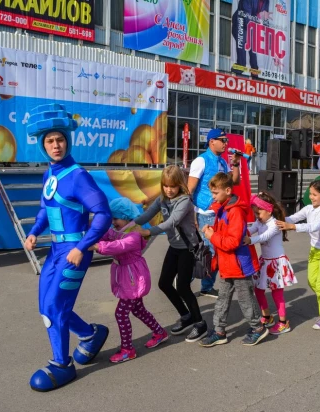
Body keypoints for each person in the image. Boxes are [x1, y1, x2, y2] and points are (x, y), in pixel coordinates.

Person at [24, 104, 112, 392]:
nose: (55, 145)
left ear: (68, 140)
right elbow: (44, 208)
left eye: (59, 139)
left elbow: (103, 214)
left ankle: (61, 365)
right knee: (46, 307)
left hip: (75, 251)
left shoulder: (77, 175)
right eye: (49, 141)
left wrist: (84, 245)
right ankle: (90, 335)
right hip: (55, 251)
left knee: (54, 306)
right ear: (42, 145)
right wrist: (35, 232)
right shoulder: (50, 175)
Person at [132, 165, 208, 343]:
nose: (169, 190)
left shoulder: (184, 201)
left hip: (188, 248)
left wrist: (148, 232)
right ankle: (186, 316)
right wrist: (127, 224)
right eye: (165, 186)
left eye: (172, 186)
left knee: (183, 287)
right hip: (175, 247)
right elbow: (147, 215)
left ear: (179, 184)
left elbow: (172, 222)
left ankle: (200, 323)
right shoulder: (162, 199)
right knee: (164, 283)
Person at [90, 197, 167, 363]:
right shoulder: (120, 229)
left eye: (115, 218)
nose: (113, 222)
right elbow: (108, 234)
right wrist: (94, 232)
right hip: (127, 275)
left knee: (121, 313)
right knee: (138, 309)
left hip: (133, 278)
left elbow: (118, 246)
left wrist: (97, 246)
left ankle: (127, 349)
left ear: (125, 216)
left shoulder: (133, 234)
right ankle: (160, 332)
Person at [198, 173, 268, 347]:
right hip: (228, 264)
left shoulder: (235, 211)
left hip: (239, 264)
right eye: (212, 193)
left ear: (227, 191)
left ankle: (258, 328)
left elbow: (232, 242)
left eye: (215, 193)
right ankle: (220, 331)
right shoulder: (223, 208)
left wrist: (211, 235)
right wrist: (212, 229)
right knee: (223, 298)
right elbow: (225, 232)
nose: (213, 196)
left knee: (245, 298)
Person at [276, 180, 320, 330]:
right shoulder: (309, 209)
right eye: (310, 194)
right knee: (312, 282)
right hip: (314, 250)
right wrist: (275, 219)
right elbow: (292, 218)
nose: (311, 197)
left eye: (315, 194)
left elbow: (313, 227)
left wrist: (292, 227)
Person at [188, 128, 242, 298]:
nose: (226, 143)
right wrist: (192, 214)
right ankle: (184, 279)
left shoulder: (222, 161)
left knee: (215, 250)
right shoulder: (200, 161)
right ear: (212, 141)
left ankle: (206, 286)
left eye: (226, 140)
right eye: (222, 140)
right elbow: (189, 189)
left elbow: (234, 183)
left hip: (219, 212)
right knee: (209, 251)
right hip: (205, 213)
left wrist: (235, 165)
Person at [243, 192, 297, 335]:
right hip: (265, 261)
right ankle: (267, 316)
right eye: (255, 213)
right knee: (258, 290)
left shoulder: (275, 224)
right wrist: (240, 231)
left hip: (277, 263)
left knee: (277, 294)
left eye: (258, 212)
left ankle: (283, 322)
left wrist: (250, 240)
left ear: (268, 210)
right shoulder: (260, 222)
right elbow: (250, 230)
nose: (257, 216)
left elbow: (264, 236)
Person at [231, 0, 271, 78]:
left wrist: (265, 25)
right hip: (241, 21)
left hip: (252, 24)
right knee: (241, 43)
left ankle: (254, 70)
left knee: (253, 47)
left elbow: (265, 14)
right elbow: (246, 15)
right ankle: (241, 66)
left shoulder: (266, 1)